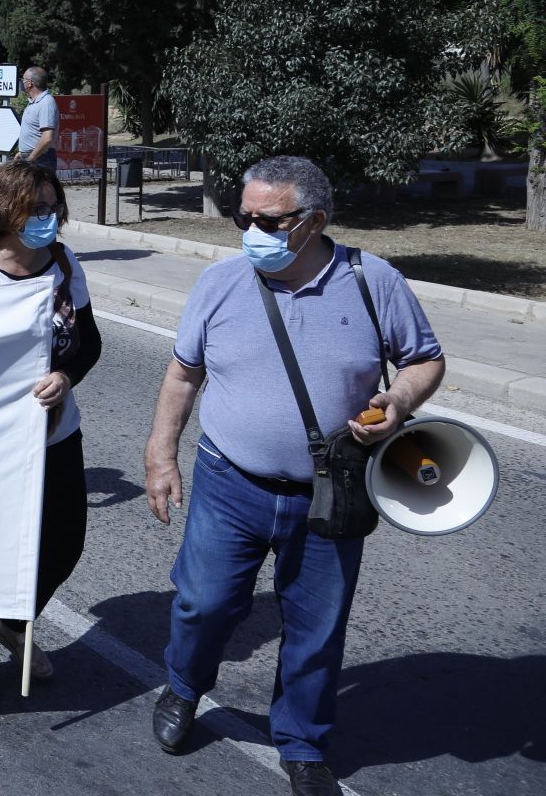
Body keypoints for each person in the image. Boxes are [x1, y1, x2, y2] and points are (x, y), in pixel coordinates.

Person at [144, 156, 445, 796]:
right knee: (204, 604)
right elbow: (182, 374)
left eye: (269, 219)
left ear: (315, 222)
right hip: (231, 483)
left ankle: (303, 743)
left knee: (316, 627)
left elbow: (424, 360)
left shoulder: (373, 280)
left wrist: (397, 403)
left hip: (334, 490)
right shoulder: (220, 283)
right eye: (242, 217)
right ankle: (183, 687)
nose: (252, 230)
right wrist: (161, 454)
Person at [0, 161, 96, 712]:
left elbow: (89, 342)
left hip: (55, 435)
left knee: (63, 543)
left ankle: (13, 623)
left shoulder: (61, 263)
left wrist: (65, 375)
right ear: (7, 212)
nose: (49, 219)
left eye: (54, 208)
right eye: (38, 210)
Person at [17, 67, 59, 169]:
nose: (22, 83)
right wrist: (21, 153)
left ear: (29, 83)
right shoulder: (34, 102)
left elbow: (47, 138)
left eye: (23, 80)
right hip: (31, 157)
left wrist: (30, 159)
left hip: (40, 159)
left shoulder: (46, 103)